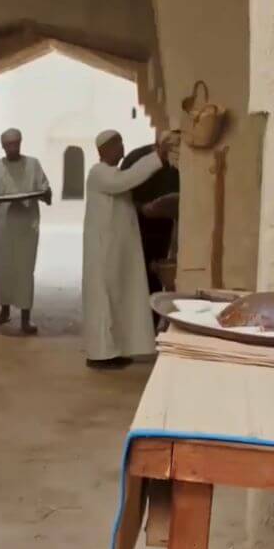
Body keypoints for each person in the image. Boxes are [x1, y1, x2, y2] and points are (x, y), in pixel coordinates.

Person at [83, 129, 171, 369]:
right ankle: (100, 355)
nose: (122, 148)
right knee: (104, 301)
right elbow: (126, 180)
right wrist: (157, 157)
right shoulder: (99, 173)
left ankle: (116, 350)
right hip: (103, 252)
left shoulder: (114, 173)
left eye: (122, 143)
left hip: (116, 251)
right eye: (118, 144)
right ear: (105, 149)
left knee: (118, 299)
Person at [0, 128, 52, 334]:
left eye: (16, 144)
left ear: (21, 143)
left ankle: (25, 318)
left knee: (24, 270)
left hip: (26, 227)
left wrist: (45, 194)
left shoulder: (33, 164)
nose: (13, 148)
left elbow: (45, 191)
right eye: (8, 145)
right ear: (3, 146)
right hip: (2, 228)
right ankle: (4, 311)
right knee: (2, 268)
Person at [121, 129, 182, 292]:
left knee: (155, 279)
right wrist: (142, 209)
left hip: (164, 230)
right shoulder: (136, 158)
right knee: (135, 277)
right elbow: (119, 197)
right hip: (136, 227)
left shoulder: (179, 163)